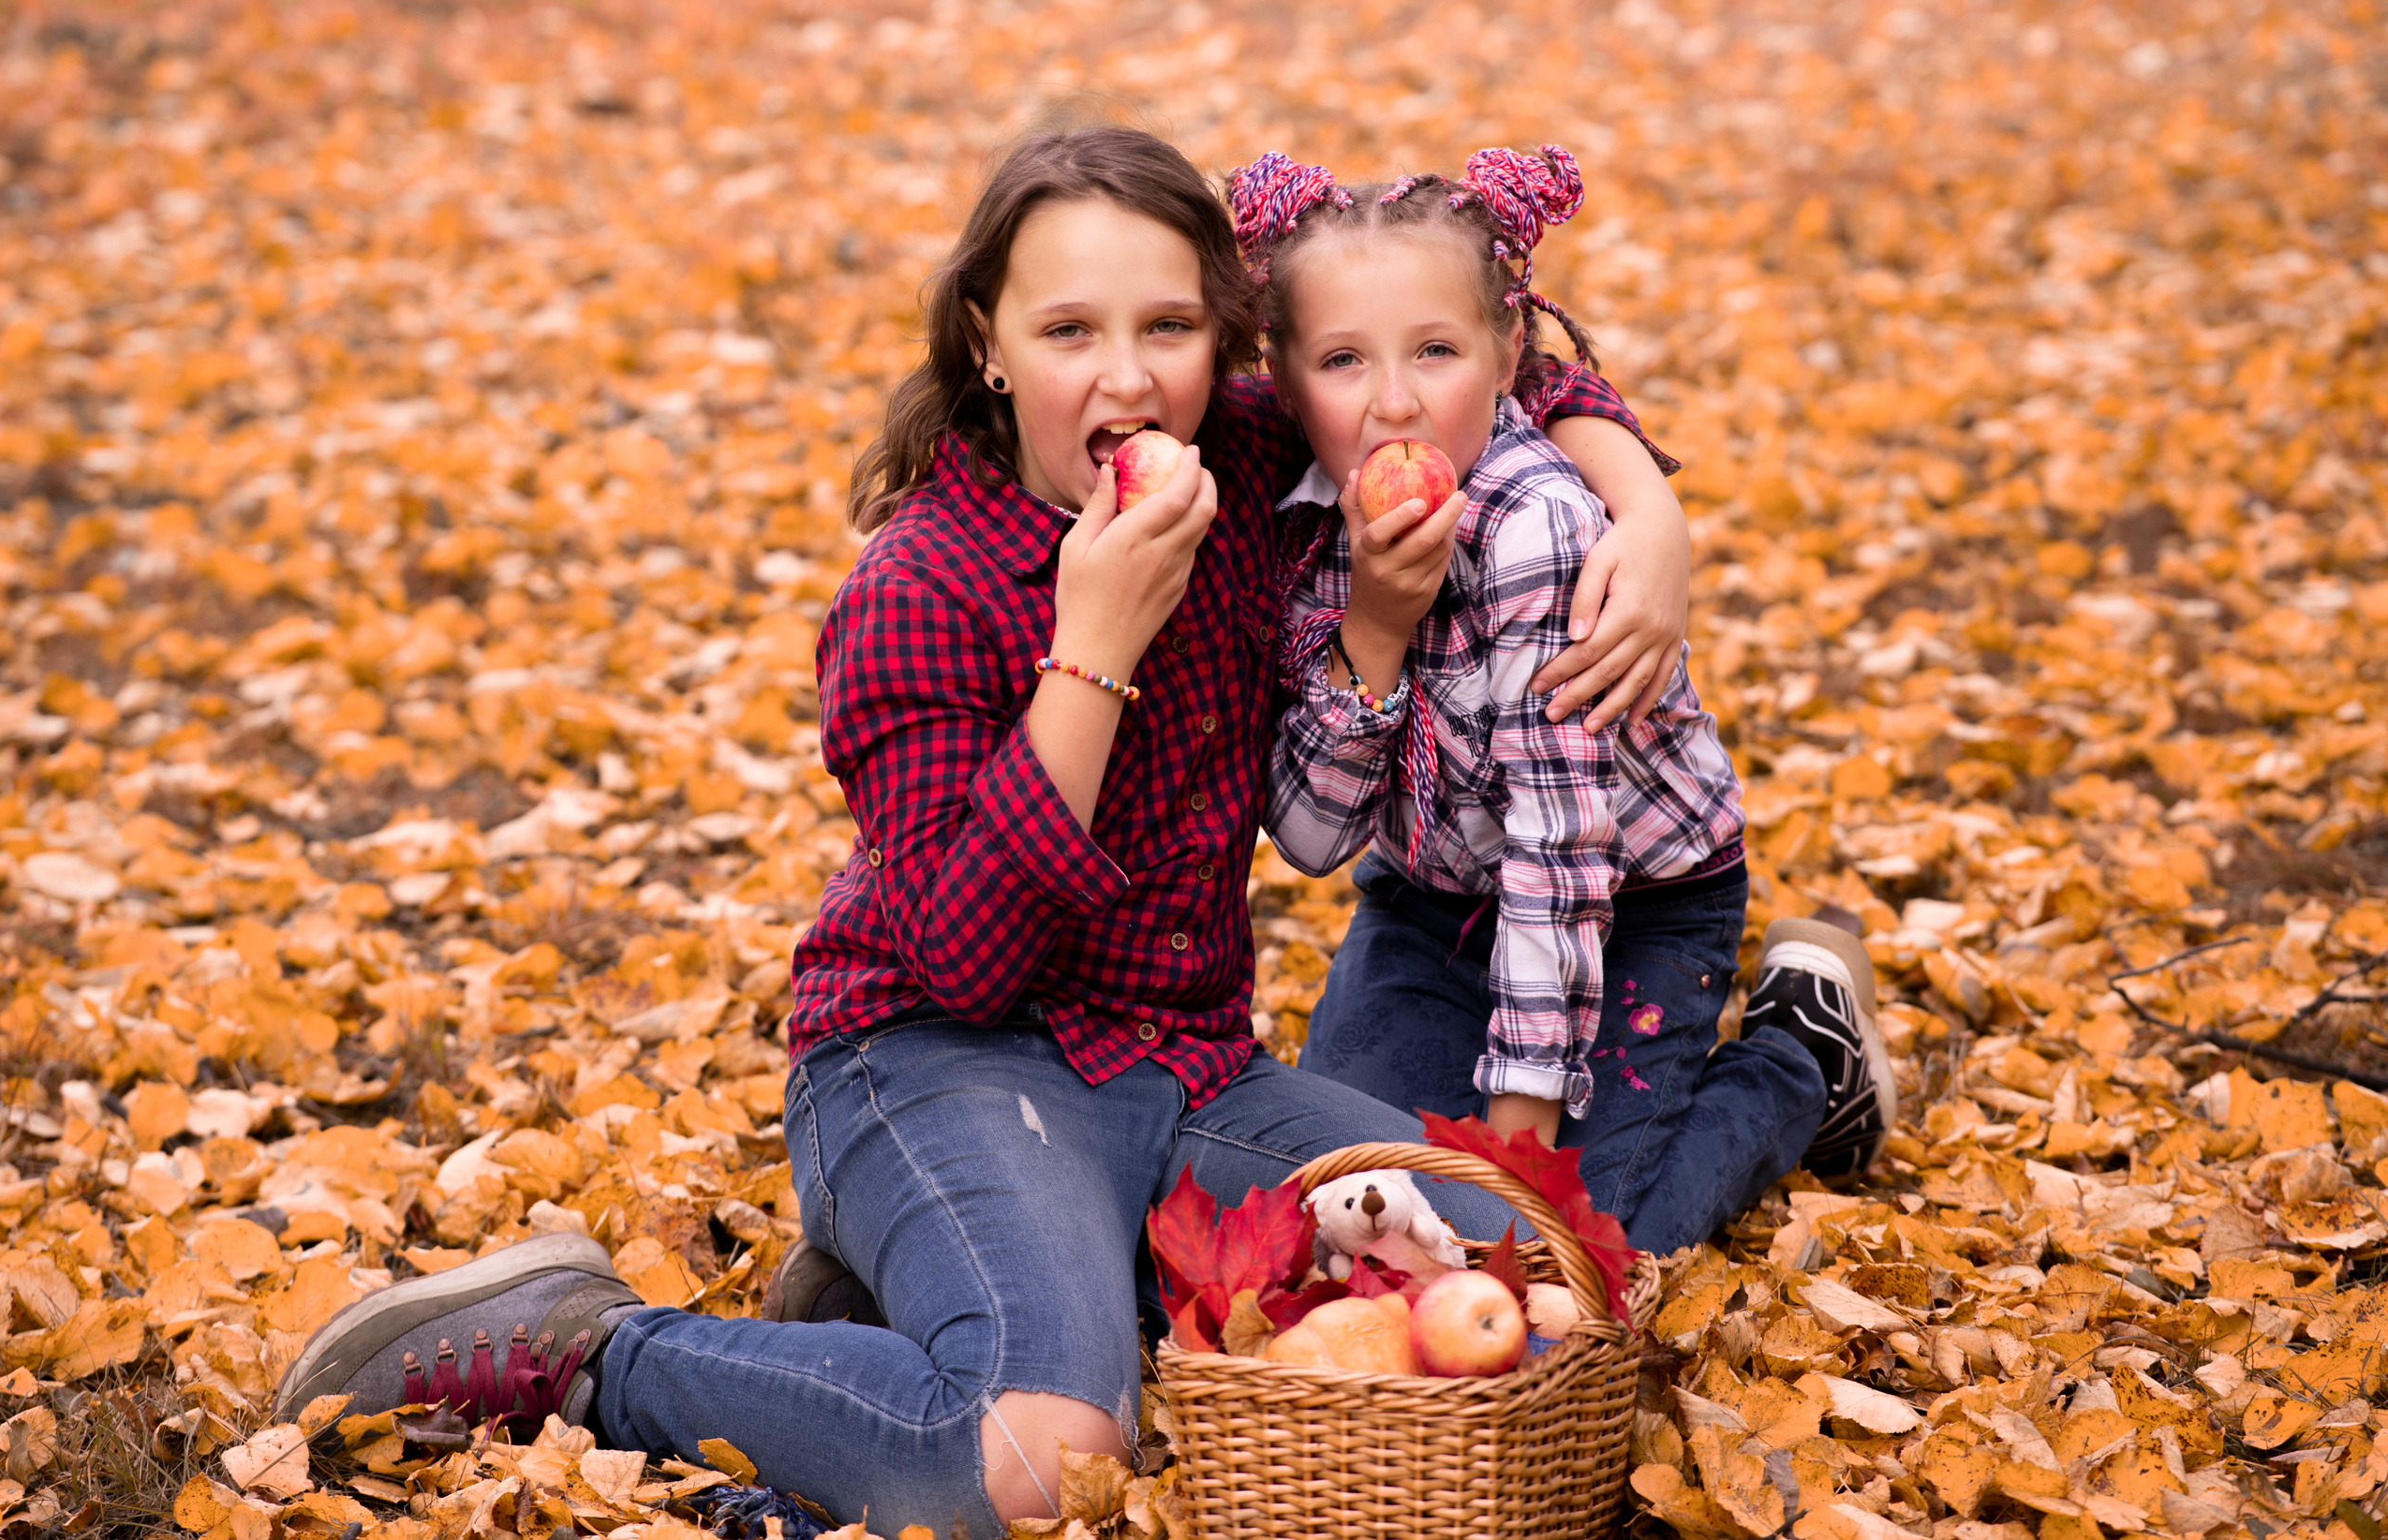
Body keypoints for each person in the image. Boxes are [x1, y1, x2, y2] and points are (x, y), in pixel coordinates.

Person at [273, 126, 1690, 1538]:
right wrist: (1094, 645)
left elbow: (1471, 363)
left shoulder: (1239, 455)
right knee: (1038, 1454)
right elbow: (966, 961)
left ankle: (899, 1309)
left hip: (1188, 1066)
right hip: (935, 1060)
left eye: (1170, 326)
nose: (1127, 377)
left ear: (1223, 339)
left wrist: (1648, 513)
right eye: (1069, 329)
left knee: (1519, 1269)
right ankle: (591, 1347)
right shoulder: (919, 591)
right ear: (987, 344)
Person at [1245, 145, 1898, 1258]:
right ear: (1283, 377)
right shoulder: (1298, 515)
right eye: (1343, 359)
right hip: (1428, 903)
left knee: (1572, 1247)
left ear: (1509, 353)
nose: (1394, 400)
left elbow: (1558, 855)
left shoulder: (1537, 530)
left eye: (1436, 350)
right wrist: (1377, 624)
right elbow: (1310, 838)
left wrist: (1519, 1149)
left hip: (1632, 898)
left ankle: (1799, 1060)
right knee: (1356, 1211)